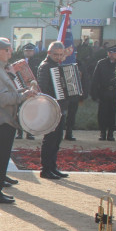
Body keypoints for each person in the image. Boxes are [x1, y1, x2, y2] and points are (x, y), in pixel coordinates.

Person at [0, 37, 37, 204]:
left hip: (1, 119)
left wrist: (23, 91)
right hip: (0, 120)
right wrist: (24, 95)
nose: (10, 53)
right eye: (7, 50)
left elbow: (5, 93)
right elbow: (2, 99)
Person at [36, 41, 70, 180]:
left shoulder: (57, 65)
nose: (58, 57)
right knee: (50, 139)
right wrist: (57, 92)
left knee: (57, 139)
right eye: (56, 54)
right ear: (49, 53)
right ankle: (46, 169)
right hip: (50, 107)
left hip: (59, 107)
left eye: (61, 55)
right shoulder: (45, 66)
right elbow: (42, 88)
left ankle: (52, 167)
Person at [92, 45, 116, 141]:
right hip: (104, 92)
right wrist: (95, 94)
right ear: (109, 54)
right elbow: (95, 79)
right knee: (102, 114)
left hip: (115, 93)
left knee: (113, 113)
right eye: (114, 53)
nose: (115, 55)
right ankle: (102, 132)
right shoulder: (101, 63)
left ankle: (111, 133)